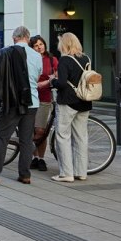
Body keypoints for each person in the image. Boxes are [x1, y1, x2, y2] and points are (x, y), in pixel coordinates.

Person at [0, 26, 40, 185]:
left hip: (12, 102)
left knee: (2, 137)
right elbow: (37, 76)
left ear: (14, 38)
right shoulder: (36, 55)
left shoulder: (6, 52)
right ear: (28, 37)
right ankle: (25, 175)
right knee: (26, 140)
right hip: (32, 101)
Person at [50, 32, 92, 182]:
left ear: (64, 44)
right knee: (81, 137)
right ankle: (81, 172)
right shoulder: (86, 58)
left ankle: (66, 173)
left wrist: (52, 81)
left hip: (67, 102)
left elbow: (61, 83)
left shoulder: (65, 60)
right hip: (84, 102)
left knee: (63, 136)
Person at [29, 35, 57, 172]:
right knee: (31, 130)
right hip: (30, 97)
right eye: (36, 45)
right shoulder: (30, 59)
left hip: (45, 98)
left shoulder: (51, 59)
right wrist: (47, 81)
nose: (39, 47)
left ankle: (41, 158)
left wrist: (49, 81)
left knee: (41, 130)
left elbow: (57, 75)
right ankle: (35, 158)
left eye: (41, 44)